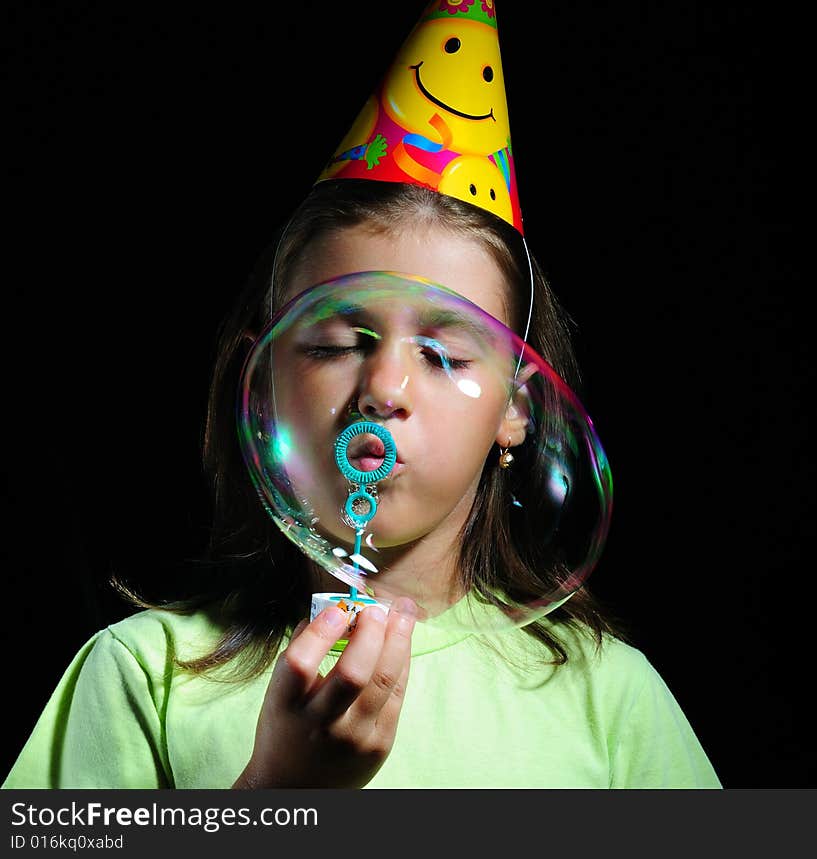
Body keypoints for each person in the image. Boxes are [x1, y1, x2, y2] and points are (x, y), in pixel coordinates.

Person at [2, 1, 721, 790]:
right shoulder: (143, 675)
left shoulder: (609, 698)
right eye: (337, 344)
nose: (383, 388)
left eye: (444, 354)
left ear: (515, 409)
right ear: (263, 383)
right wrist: (282, 794)